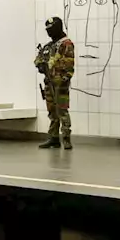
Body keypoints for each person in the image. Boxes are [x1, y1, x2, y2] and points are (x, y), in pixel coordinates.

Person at [34, 16, 75, 149]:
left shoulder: (66, 44)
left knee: (62, 110)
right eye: (47, 30)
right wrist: (40, 65)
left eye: (51, 29)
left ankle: (66, 138)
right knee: (52, 111)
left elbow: (69, 65)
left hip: (61, 84)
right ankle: (54, 138)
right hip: (49, 83)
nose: (49, 32)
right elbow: (39, 58)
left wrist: (64, 80)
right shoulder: (49, 46)